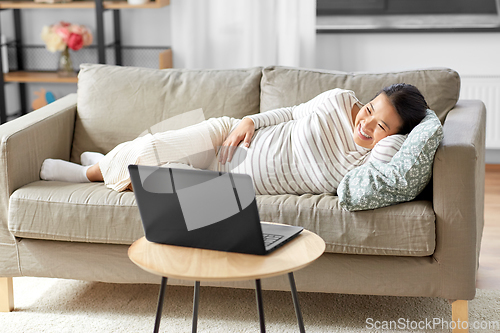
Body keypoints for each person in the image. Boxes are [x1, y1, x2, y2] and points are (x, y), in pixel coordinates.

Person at [40, 83, 428, 195]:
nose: (366, 123)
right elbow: (292, 113)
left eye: (381, 126)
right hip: (227, 138)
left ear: (394, 138)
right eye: (371, 109)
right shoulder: (342, 100)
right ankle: (87, 173)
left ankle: (106, 161)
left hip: (229, 183)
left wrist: (394, 138)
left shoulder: (366, 165)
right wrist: (249, 119)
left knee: (148, 174)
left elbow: (384, 170)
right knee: (151, 148)